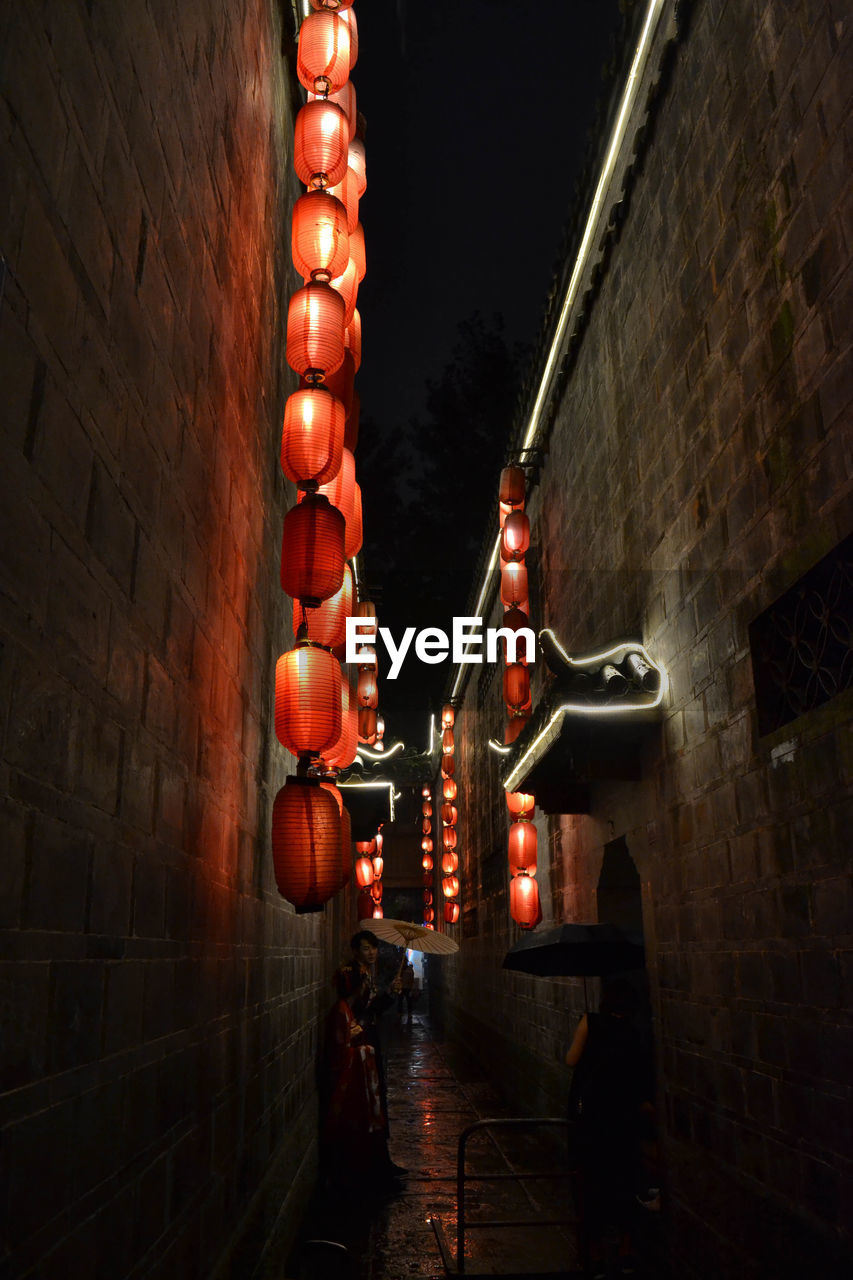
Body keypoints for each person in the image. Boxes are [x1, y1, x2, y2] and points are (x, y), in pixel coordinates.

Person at [565, 979, 653, 1279]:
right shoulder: (633, 1034)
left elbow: (571, 1059)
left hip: (591, 1118)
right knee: (624, 1182)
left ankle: (597, 1253)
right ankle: (627, 1250)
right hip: (621, 1120)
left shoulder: (591, 1022)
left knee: (590, 1183)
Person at [328, 930, 406, 1182]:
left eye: (374, 948)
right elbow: (361, 1008)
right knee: (368, 1099)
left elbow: (374, 1008)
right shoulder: (352, 975)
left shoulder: (366, 973)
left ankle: (382, 1161)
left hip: (369, 1039)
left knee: (376, 1097)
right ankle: (372, 1166)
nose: (371, 952)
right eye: (365, 948)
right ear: (355, 951)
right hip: (359, 1042)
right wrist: (385, 995)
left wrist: (391, 994)